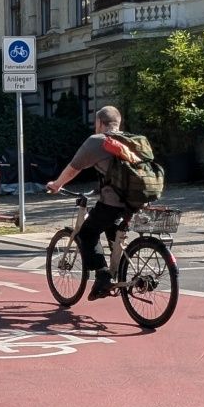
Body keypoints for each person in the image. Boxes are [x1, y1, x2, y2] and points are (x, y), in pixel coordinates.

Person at [45, 105, 138, 300]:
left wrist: (56, 184)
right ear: (118, 123)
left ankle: (103, 276)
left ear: (100, 123)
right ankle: (118, 270)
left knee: (87, 233)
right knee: (111, 227)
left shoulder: (98, 141)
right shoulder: (131, 140)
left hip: (113, 203)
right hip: (136, 201)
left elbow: (74, 168)